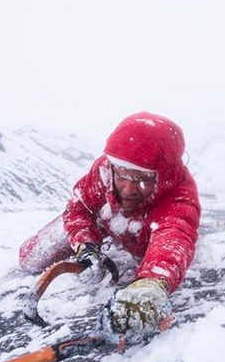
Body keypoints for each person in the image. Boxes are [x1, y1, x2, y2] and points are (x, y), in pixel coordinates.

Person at [18, 111, 200, 335]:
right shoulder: (104, 170)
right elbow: (79, 207)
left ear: (162, 176)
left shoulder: (180, 193)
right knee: (30, 257)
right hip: (105, 221)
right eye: (122, 175)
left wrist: (151, 283)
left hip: (145, 237)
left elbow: (174, 234)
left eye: (143, 180)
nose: (128, 189)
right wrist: (85, 246)